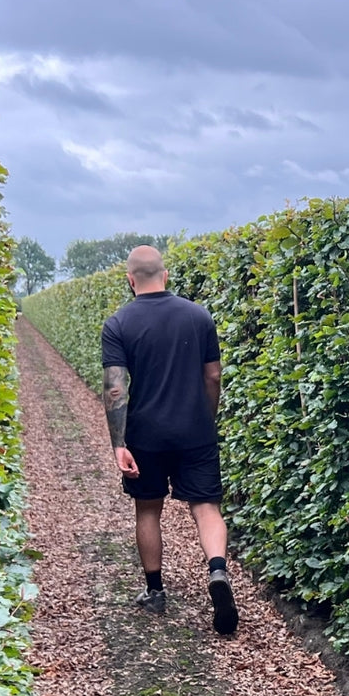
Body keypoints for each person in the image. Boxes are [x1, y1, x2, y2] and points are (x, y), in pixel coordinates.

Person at [100, 244, 239, 634]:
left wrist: (118, 443)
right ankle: (217, 572)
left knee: (148, 509)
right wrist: (204, 420)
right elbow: (213, 376)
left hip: (146, 434)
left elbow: (115, 389)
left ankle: (155, 591)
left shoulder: (118, 323)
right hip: (195, 430)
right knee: (206, 506)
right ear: (166, 276)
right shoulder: (198, 315)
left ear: (130, 281)